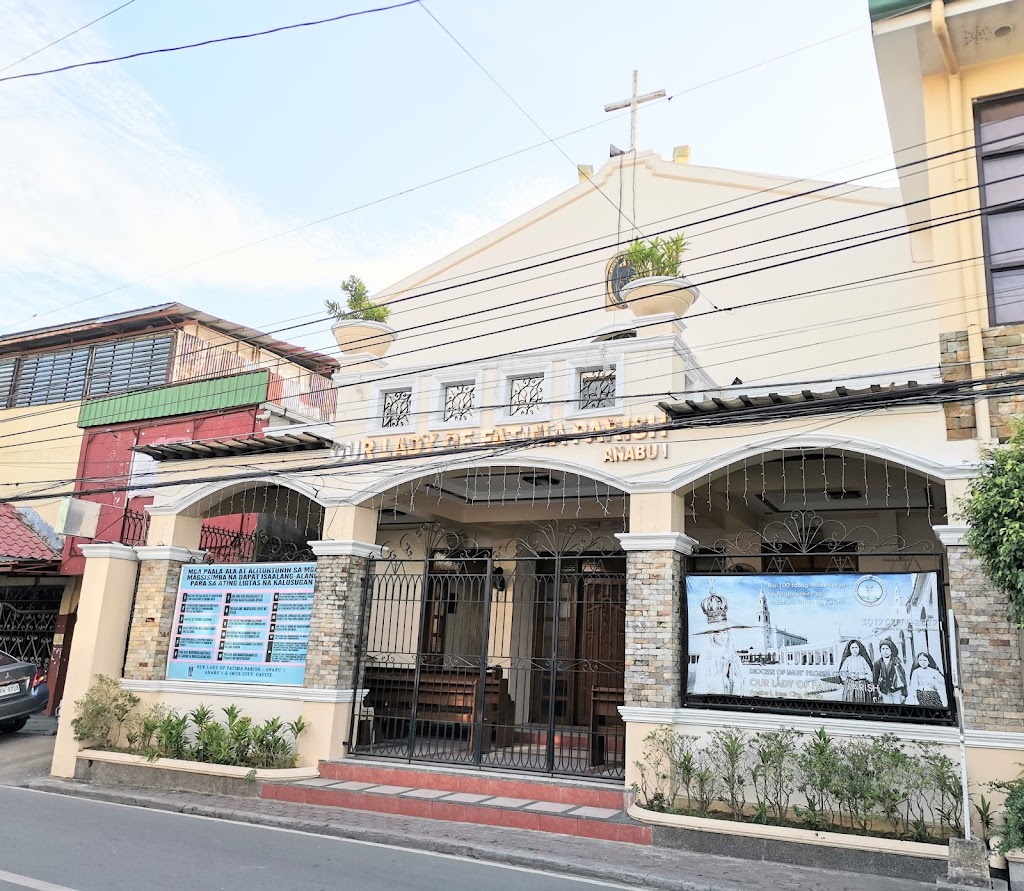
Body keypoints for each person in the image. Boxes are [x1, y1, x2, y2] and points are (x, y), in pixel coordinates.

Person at [693, 626, 747, 696]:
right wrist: (722, 675)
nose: (722, 637)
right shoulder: (707, 655)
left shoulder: (732, 653)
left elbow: (742, 679)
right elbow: (702, 683)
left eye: (725, 633)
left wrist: (731, 676)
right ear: (712, 636)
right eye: (718, 634)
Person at [873, 638, 908, 704]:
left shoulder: (896, 662)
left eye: (887, 648)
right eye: (883, 649)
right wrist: (875, 694)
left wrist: (904, 693)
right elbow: (875, 679)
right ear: (880, 651)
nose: (885, 651)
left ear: (891, 650)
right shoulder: (877, 663)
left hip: (897, 690)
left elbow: (902, 678)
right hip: (885, 691)